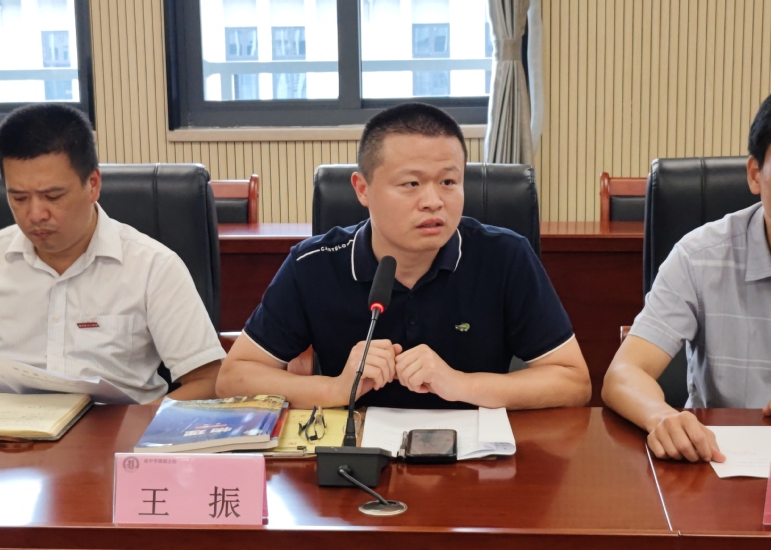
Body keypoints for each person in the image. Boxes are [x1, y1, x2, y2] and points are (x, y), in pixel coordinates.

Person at [216, 102, 591, 410]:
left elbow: (573, 382)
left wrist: (460, 384)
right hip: (354, 458)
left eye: (448, 181)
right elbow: (234, 378)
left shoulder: (505, 256)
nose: (433, 201)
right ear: (362, 189)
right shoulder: (314, 264)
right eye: (411, 184)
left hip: (477, 460)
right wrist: (337, 388)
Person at [0, 104, 225, 402]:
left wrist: (140, 424)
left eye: (53, 196)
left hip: (121, 426)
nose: (35, 214)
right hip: (6, 428)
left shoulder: (153, 266)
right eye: (19, 198)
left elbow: (209, 381)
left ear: (93, 184)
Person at [602, 93, 771, 463]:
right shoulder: (701, 256)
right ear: (755, 175)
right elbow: (624, 373)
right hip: (722, 466)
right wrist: (662, 416)